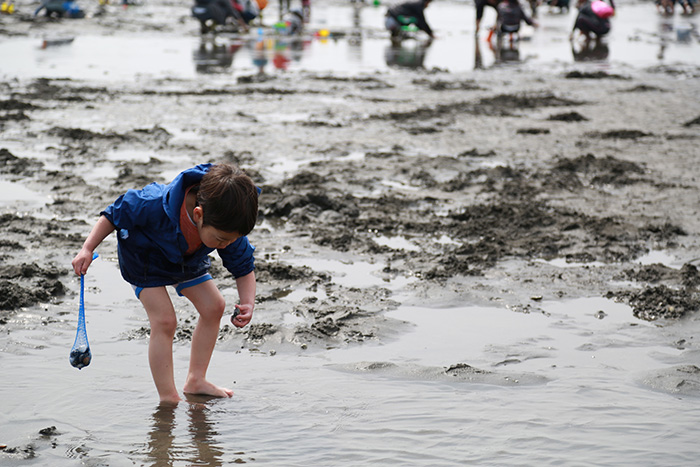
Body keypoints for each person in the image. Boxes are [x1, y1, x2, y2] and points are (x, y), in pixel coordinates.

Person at [71, 163, 259, 405]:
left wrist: (248, 303)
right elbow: (114, 213)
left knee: (214, 306)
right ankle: (167, 397)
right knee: (165, 320)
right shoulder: (152, 203)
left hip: (186, 260)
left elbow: (244, 267)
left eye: (231, 240)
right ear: (199, 215)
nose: (225, 245)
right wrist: (87, 249)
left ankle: (196, 380)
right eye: (221, 239)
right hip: (144, 261)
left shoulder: (225, 224)